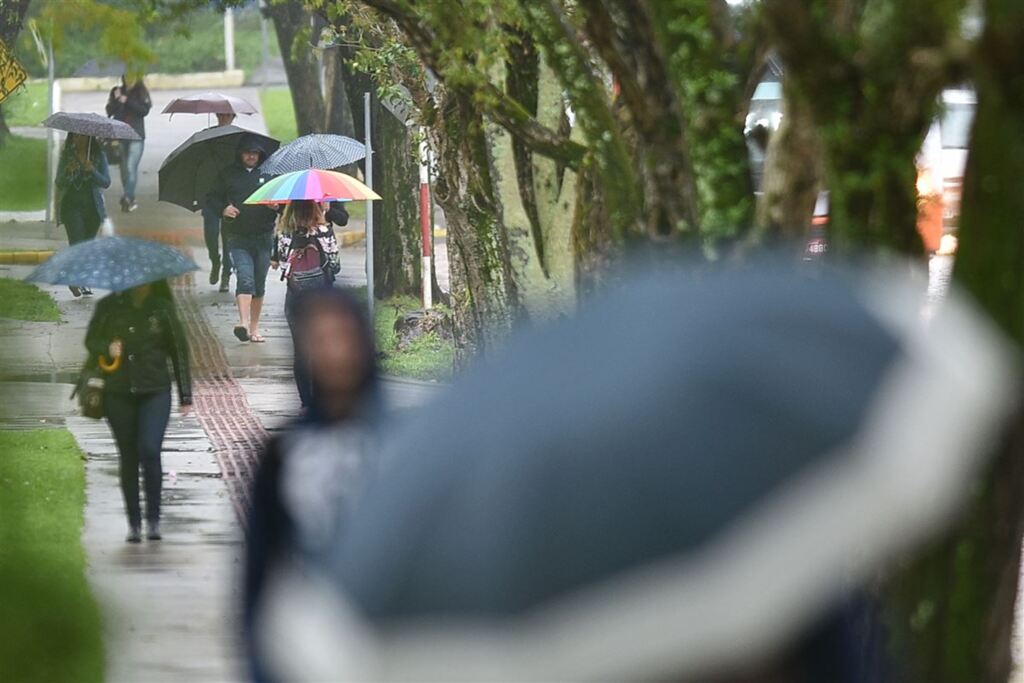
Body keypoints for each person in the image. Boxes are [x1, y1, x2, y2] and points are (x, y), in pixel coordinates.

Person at [244, 287, 378, 683]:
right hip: (306, 639)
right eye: (320, 341)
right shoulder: (283, 453)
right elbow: (261, 569)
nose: (335, 353)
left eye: (343, 337)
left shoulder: (403, 443)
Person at [84, 280, 192, 543]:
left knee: (150, 449)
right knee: (129, 456)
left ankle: (153, 519)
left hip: (155, 390)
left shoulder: (162, 309)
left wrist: (185, 394)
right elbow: (91, 340)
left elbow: (179, 350)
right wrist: (106, 347)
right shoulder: (109, 307)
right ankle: (134, 522)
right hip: (118, 392)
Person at [207, 135, 278, 343]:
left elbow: (284, 204)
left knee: (259, 283)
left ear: (260, 155)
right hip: (237, 237)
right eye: (247, 153)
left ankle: (254, 328)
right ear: (240, 154)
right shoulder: (227, 174)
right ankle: (243, 323)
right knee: (245, 278)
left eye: (255, 153)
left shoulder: (270, 174)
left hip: (264, 237)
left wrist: (277, 206)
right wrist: (224, 208)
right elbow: (212, 198)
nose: (251, 156)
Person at [271, 200, 342, 408]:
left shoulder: (284, 233)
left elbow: (283, 265)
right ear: (315, 210)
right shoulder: (324, 232)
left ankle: (305, 400)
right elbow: (335, 265)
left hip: (296, 298)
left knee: (301, 351)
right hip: (323, 299)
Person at [56, 133, 110, 297]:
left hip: (92, 207)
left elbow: (106, 182)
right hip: (72, 206)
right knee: (76, 242)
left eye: (81, 137)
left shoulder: (98, 156)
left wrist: (92, 170)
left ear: (89, 138)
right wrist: (68, 172)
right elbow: (59, 181)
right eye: (74, 137)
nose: (77, 140)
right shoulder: (67, 156)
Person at [202, 112, 239, 292]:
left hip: (230, 196)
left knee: (228, 238)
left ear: (233, 116)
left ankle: (226, 273)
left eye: (228, 115)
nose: (224, 117)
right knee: (211, 234)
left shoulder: (239, 137)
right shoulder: (207, 136)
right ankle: (215, 261)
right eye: (222, 115)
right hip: (211, 195)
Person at [105, 74, 151, 213]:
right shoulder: (117, 91)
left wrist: (127, 101)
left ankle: (127, 196)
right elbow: (109, 112)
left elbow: (144, 111)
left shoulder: (141, 93)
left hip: (136, 135)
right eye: (127, 77)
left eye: (132, 77)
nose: (129, 80)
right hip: (120, 135)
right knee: (124, 170)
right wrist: (117, 99)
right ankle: (130, 198)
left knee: (131, 167)